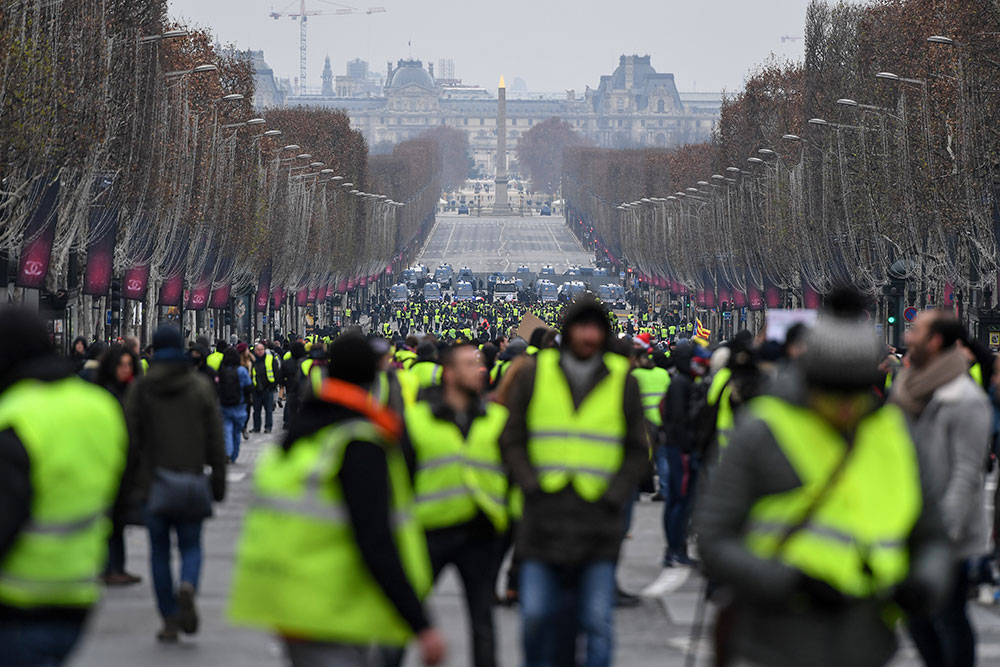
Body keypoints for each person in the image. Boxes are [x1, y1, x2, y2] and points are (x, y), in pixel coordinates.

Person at [696, 291, 951, 667]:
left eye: (856, 390)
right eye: (833, 389)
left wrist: (924, 583)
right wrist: (789, 582)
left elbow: (933, 537)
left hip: (867, 644)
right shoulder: (763, 431)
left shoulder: (896, 437)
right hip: (775, 640)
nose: (846, 405)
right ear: (810, 376)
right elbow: (714, 538)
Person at [229, 333, 446, 667]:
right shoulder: (358, 443)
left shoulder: (301, 440)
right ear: (374, 379)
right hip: (334, 605)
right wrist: (419, 621)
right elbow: (375, 537)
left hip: (287, 599)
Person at [499, 296, 648, 667]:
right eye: (581, 326)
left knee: (597, 622)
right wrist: (530, 484)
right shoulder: (536, 373)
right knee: (534, 618)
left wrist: (615, 494)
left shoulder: (622, 380)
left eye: (596, 328)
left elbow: (638, 447)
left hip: (598, 520)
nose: (588, 335)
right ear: (568, 331)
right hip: (543, 517)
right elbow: (511, 437)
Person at [0, 308, 127, 665]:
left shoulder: (14, 415)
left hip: (15, 598)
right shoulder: (100, 407)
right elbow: (120, 493)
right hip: (77, 592)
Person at [891, 310, 992, 667]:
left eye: (916, 330)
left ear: (935, 341)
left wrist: (943, 532)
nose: (908, 335)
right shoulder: (910, 389)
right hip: (911, 526)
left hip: (946, 533)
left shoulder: (964, 399)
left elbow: (967, 473)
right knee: (919, 621)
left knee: (948, 620)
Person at [401, 343, 509, 667]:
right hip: (428, 530)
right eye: (468, 364)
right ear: (448, 373)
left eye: (479, 363)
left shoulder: (497, 418)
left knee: (483, 621)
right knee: (402, 612)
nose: (479, 369)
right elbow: (399, 478)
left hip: (479, 531)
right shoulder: (416, 420)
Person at [124, 325, 227, 642]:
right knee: (192, 545)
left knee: (159, 552)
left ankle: (169, 616)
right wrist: (218, 482)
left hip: (152, 483)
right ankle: (188, 585)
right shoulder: (199, 387)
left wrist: (128, 484)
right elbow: (216, 440)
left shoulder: (141, 390)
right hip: (191, 480)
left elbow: (129, 439)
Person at [94, 343, 143, 586]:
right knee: (109, 519)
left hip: (126, 464)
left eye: (129, 365)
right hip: (106, 464)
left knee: (119, 520)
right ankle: (107, 567)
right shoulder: (104, 393)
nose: (125, 369)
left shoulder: (131, 391)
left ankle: (118, 566)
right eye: (121, 365)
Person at [217, 348, 252, 463]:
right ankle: (234, 455)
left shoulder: (221, 371)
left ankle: (227, 451)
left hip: (224, 405)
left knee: (226, 428)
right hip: (239, 406)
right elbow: (248, 388)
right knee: (236, 432)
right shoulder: (242, 371)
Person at [250, 341, 281, 433]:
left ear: (264, 350)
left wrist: (273, 386)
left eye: (261, 350)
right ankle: (256, 427)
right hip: (256, 390)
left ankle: (268, 427)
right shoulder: (253, 361)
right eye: (258, 350)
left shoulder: (270, 359)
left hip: (268, 389)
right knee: (256, 410)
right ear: (255, 351)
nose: (260, 352)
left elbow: (277, 374)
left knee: (268, 410)